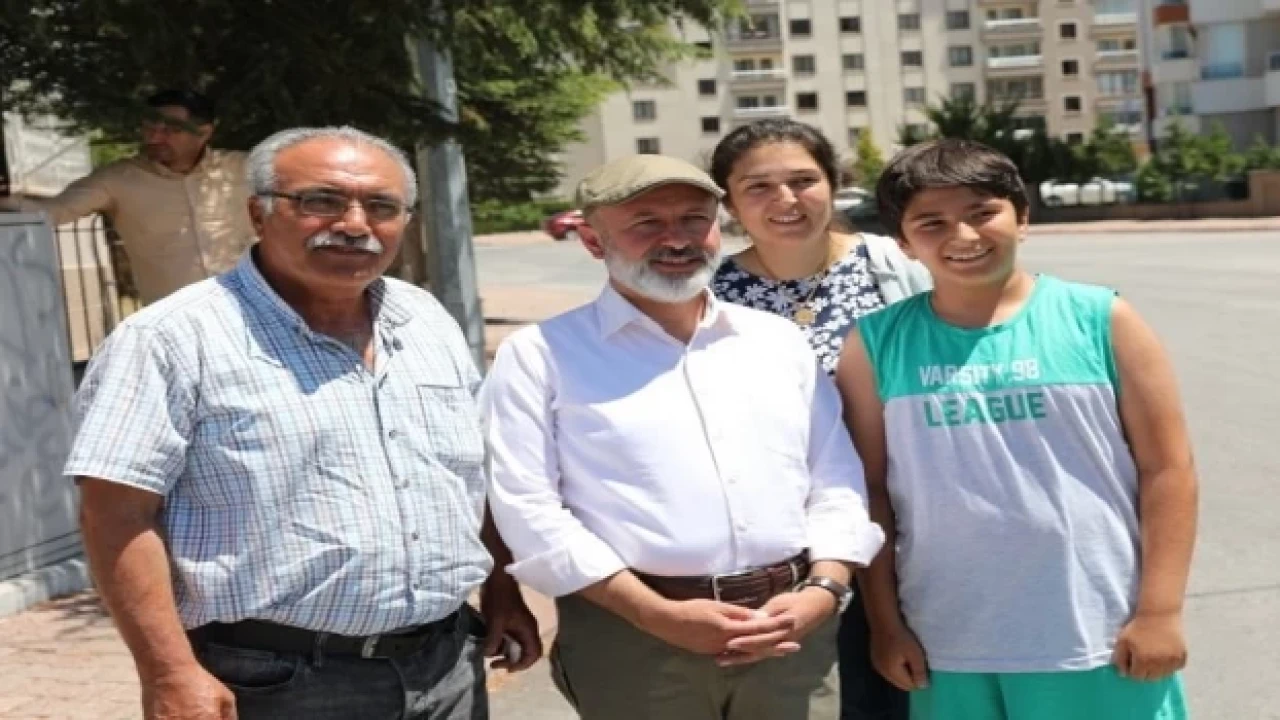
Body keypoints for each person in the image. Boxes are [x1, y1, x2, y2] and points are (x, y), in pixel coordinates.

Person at [66, 126, 542, 720]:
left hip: (447, 668)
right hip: (277, 682)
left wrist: (501, 586)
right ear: (258, 214)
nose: (354, 224)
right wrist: (167, 671)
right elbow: (116, 516)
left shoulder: (425, 320)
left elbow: (470, 476)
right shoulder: (169, 340)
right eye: (321, 200)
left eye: (382, 207)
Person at [480, 153, 884, 720]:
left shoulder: (777, 342)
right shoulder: (539, 355)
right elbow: (527, 507)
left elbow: (835, 478)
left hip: (790, 635)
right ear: (593, 241)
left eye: (695, 219)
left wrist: (826, 589)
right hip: (634, 641)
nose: (676, 239)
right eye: (645, 223)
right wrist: (654, 614)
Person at [836, 138, 1197, 720]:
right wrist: (885, 623)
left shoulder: (1101, 318)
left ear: (1022, 217)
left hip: (1097, 633)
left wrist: (1160, 610)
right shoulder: (875, 344)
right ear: (902, 241)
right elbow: (870, 492)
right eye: (931, 223)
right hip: (947, 640)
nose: (963, 235)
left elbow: (1168, 469)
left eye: (983, 212)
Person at [710, 119, 929, 720]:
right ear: (728, 203)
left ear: (833, 184)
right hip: (787, 544)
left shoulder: (894, 267)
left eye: (803, 180)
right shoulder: (711, 292)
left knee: (913, 692)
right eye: (758, 187)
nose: (785, 199)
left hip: (907, 528)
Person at [1, 89, 255, 304]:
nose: (155, 137)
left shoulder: (244, 169)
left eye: (170, 130)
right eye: (149, 127)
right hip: (175, 322)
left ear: (204, 133)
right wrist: (7, 201)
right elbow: (54, 212)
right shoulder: (118, 180)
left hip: (252, 311)